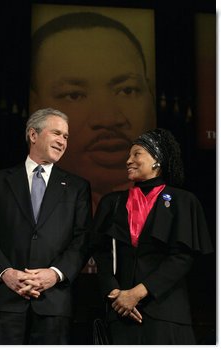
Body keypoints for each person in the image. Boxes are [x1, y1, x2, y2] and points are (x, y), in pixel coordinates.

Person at [0, 108, 93, 345]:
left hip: (54, 304)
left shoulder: (77, 187)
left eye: (66, 137)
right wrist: (6, 273)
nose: (62, 141)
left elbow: (83, 239)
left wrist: (54, 274)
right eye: (57, 133)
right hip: (5, 301)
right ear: (33, 134)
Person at [91, 128, 213, 345]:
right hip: (120, 314)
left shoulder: (183, 201)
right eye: (129, 155)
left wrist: (137, 294)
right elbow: (102, 254)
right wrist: (116, 294)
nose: (128, 160)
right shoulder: (112, 202)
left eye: (136, 154)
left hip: (166, 313)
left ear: (157, 159)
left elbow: (182, 257)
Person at [30, 11, 156, 211]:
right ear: (35, 107)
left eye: (127, 90)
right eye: (74, 95)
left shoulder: (175, 207)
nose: (108, 119)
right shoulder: (20, 202)